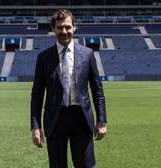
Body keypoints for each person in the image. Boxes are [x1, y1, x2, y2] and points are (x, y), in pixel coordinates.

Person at [30, 9, 107, 168]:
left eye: (67, 27)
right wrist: (35, 126)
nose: (64, 32)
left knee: (86, 166)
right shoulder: (44, 57)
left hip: (81, 118)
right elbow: (37, 93)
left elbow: (97, 90)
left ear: (74, 27)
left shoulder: (87, 54)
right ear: (53, 29)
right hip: (55, 119)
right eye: (59, 28)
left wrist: (101, 121)